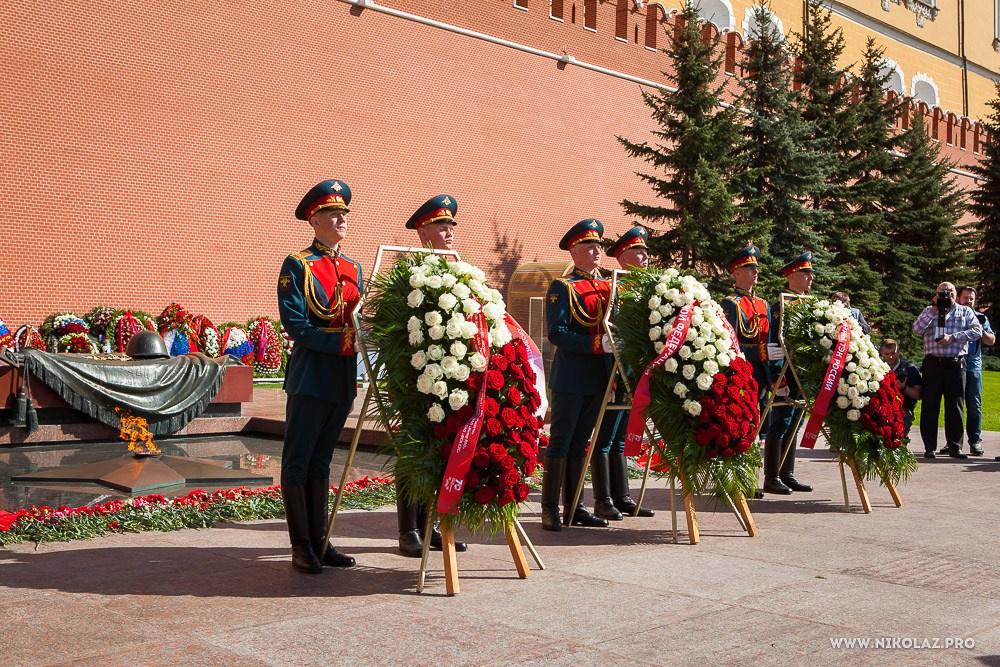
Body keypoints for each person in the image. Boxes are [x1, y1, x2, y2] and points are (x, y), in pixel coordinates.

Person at [276, 179, 360, 573]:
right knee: (299, 459)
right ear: (314, 219)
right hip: (311, 376)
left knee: (322, 461)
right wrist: (344, 344)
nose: (341, 218)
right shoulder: (298, 264)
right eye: (332, 213)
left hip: (342, 378)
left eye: (343, 212)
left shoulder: (353, 267)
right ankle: (302, 545)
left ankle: (322, 540)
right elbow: (296, 324)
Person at [395, 195, 469, 557]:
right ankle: (408, 529)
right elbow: (395, 330)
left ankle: (433, 524)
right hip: (415, 380)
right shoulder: (407, 274)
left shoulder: (459, 271)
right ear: (423, 231)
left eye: (452, 226)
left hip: (451, 376)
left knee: (442, 447)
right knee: (413, 450)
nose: (449, 231)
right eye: (441, 226)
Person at [540, 219, 613, 531]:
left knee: (582, 441)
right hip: (571, 375)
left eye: (598, 245)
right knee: (561, 441)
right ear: (573, 250)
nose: (596, 250)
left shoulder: (609, 286)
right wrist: (597, 343)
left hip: (598, 376)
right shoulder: (563, 287)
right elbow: (557, 333)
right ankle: (549, 509)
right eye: (588, 245)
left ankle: (575, 507)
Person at [590, 226, 654, 520]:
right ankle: (603, 499)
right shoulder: (614, 287)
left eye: (645, 251)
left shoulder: (649, 288)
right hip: (616, 370)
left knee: (620, 436)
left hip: (637, 370)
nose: (644, 256)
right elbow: (609, 330)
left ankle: (623, 496)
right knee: (605, 437)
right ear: (622, 257)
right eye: (638, 251)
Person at [761, 252, 815, 495]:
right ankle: (771, 477)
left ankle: (787, 473)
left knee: (795, 423)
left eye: (811, 274)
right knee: (780, 423)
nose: (810, 278)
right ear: (792, 276)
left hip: (802, 373)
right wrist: (776, 378)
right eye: (806, 274)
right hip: (785, 373)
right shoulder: (781, 305)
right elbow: (776, 342)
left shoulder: (809, 304)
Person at [912, 281, 983, 459]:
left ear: (956, 293)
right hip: (933, 364)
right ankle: (929, 447)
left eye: (950, 291)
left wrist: (954, 337)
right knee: (930, 406)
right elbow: (917, 329)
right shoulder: (929, 310)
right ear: (936, 294)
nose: (947, 294)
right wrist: (933, 310)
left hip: (955, 364)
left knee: (956, 407)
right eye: (943, 292)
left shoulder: (965, 311)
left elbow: (977, 331)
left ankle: (955, 447)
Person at [957, 287, 995, 456]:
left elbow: (991, 340)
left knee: (974, 405)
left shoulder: (980, 317)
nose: (969, 301)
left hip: (973, 366)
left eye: (971, 299)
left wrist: (981, 330)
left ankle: (975, 441)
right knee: (955, 405)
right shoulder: (955, 316)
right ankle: (954, 442)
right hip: (955, 365)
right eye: (966, 298)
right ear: (959, 298)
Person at [878, 339, 922, 435]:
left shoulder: (910, 369)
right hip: (880, 408)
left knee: (897, 434)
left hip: (903, 409)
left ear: (898, 351)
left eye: (893, 353)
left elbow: (918, 395)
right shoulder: (876, 367)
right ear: (881, 353)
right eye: (886, 354)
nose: (890, 357)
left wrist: (903, 388)